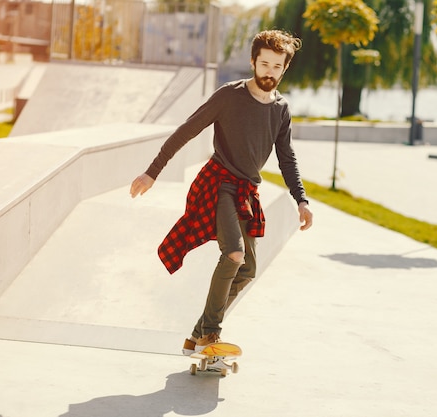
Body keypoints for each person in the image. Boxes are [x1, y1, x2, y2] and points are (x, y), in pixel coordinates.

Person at [129, 29, 313, 355]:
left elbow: (287, 158)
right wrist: (152, 171)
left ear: (285, 68)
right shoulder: (230, 95)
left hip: (246, 191)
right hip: (219, 184)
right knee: (234, 254)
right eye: (264, 63)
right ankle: (209, 336)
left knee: (248, 270)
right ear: (253, 62)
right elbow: (187, 129)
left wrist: (301, 199)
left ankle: (198, 333)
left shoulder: (280, 109)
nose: (269, 71)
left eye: (276, 66)